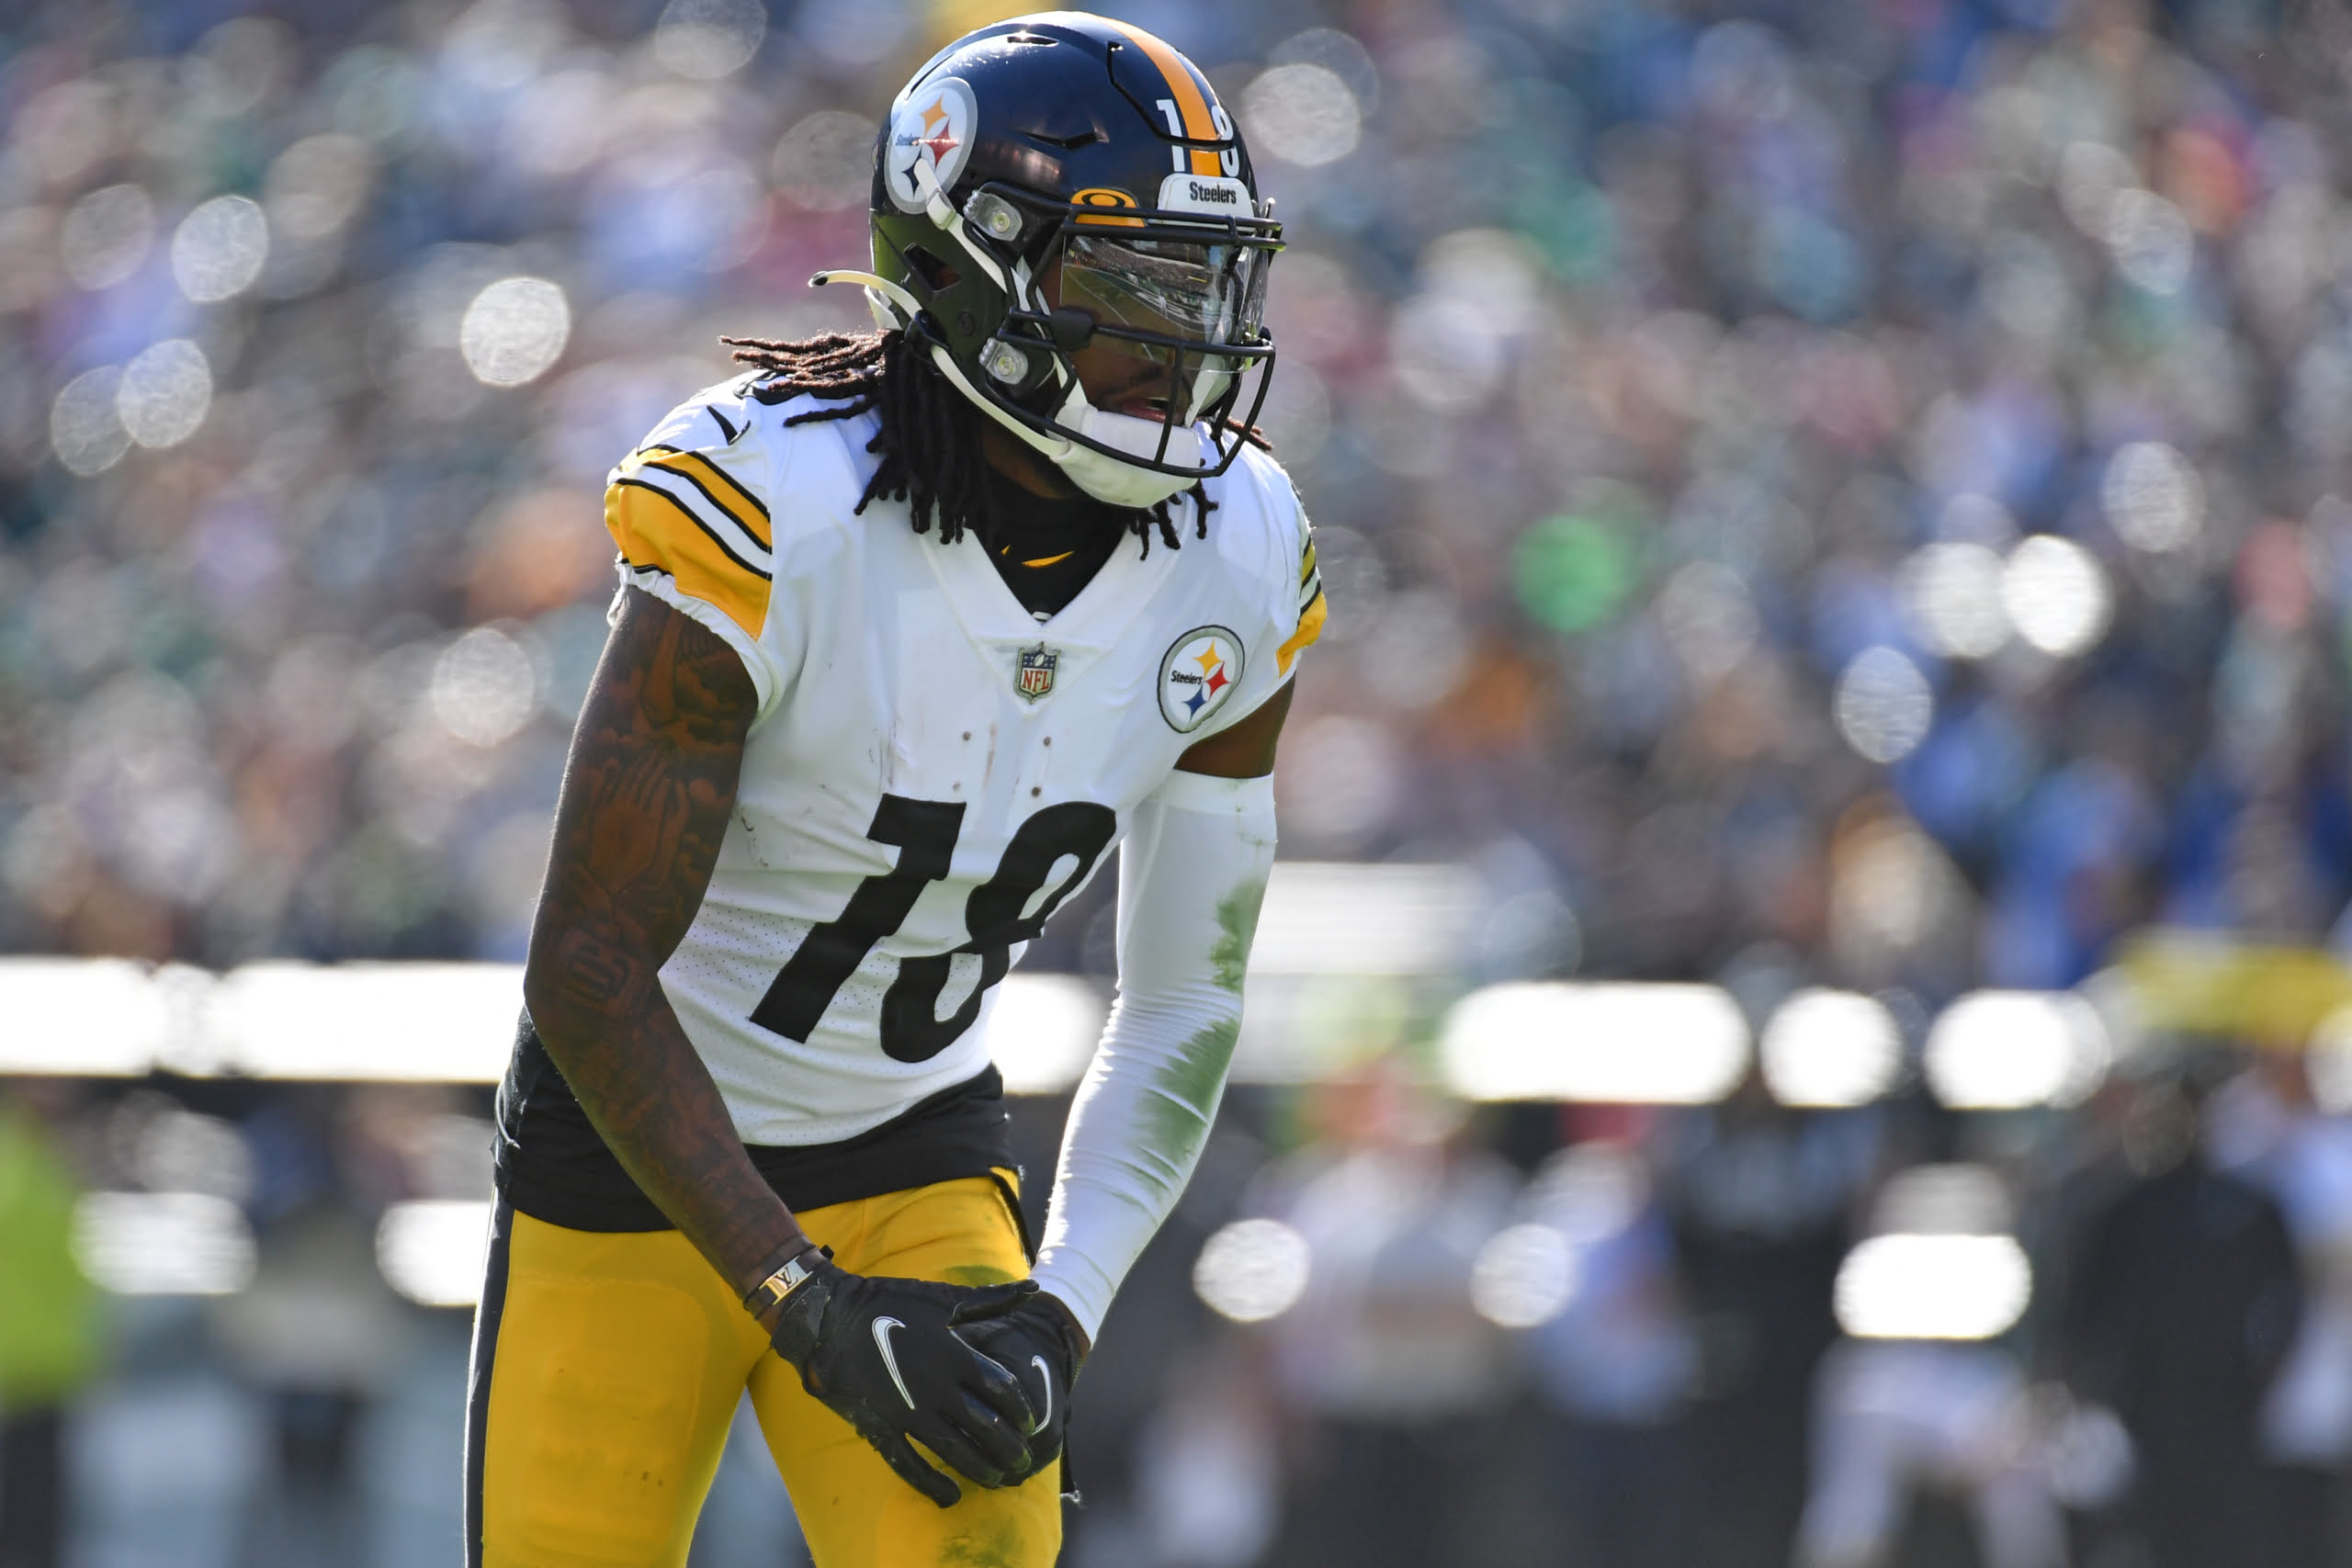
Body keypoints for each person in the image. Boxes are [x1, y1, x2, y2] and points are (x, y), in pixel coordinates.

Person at [465, 14, 1322, 1568]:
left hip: (909, 1147)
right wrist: (800, 1302)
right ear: (976, 268)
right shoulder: (775, 501)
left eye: (1206, 286)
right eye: (1133, 287)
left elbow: (1185, 1002)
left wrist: (1061, 1308)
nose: (1185, 342)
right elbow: (586, 969)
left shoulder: (1243, 549)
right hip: (639, 1156)